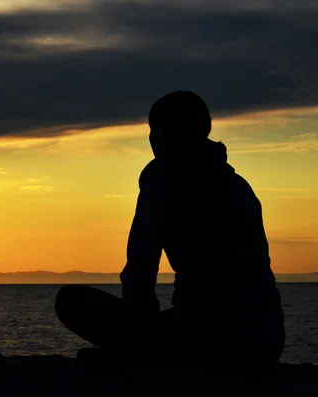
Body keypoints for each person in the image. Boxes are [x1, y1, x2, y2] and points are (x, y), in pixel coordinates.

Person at [55, 91, 285, 364]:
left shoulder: (162, 185)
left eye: (155, 131)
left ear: (162, 136)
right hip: (265, 337)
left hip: (209, 336)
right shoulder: (238, 186)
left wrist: (140, 332)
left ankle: (141, 356)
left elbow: (140, 273)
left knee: (71, 301)